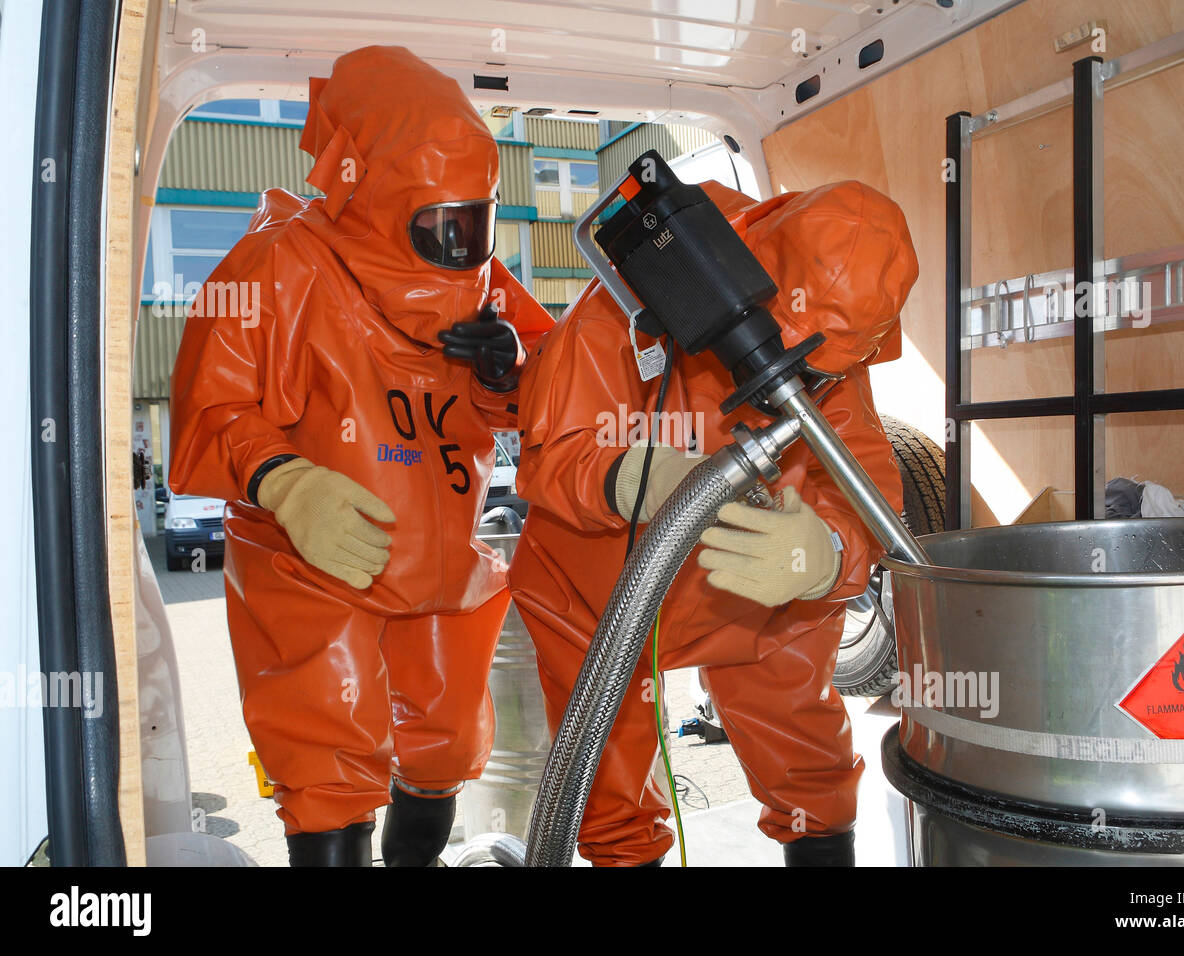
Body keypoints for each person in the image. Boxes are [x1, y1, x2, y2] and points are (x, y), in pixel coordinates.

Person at [168, 46, 552, 866]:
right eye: (440, 224)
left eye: (473, 222)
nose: (461, 245)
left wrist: (506, 370)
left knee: (444, 750)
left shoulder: (484, 284)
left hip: (444, 565)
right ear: (369, 193)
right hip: (317, 564)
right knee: (330, 766)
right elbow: (212, 402)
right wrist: (286, 480)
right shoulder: (280, 264)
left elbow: (555, 395)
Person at [508, 179, 917, 866]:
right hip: (600, 588)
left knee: (806, 758)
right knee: (606, 777)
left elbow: (863, 481)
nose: (796, 387)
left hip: (753, 587)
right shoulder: (624, 302)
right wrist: (630, 477)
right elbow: (552, 452)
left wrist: (827, 553)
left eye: (812, 373)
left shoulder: (836, 343)